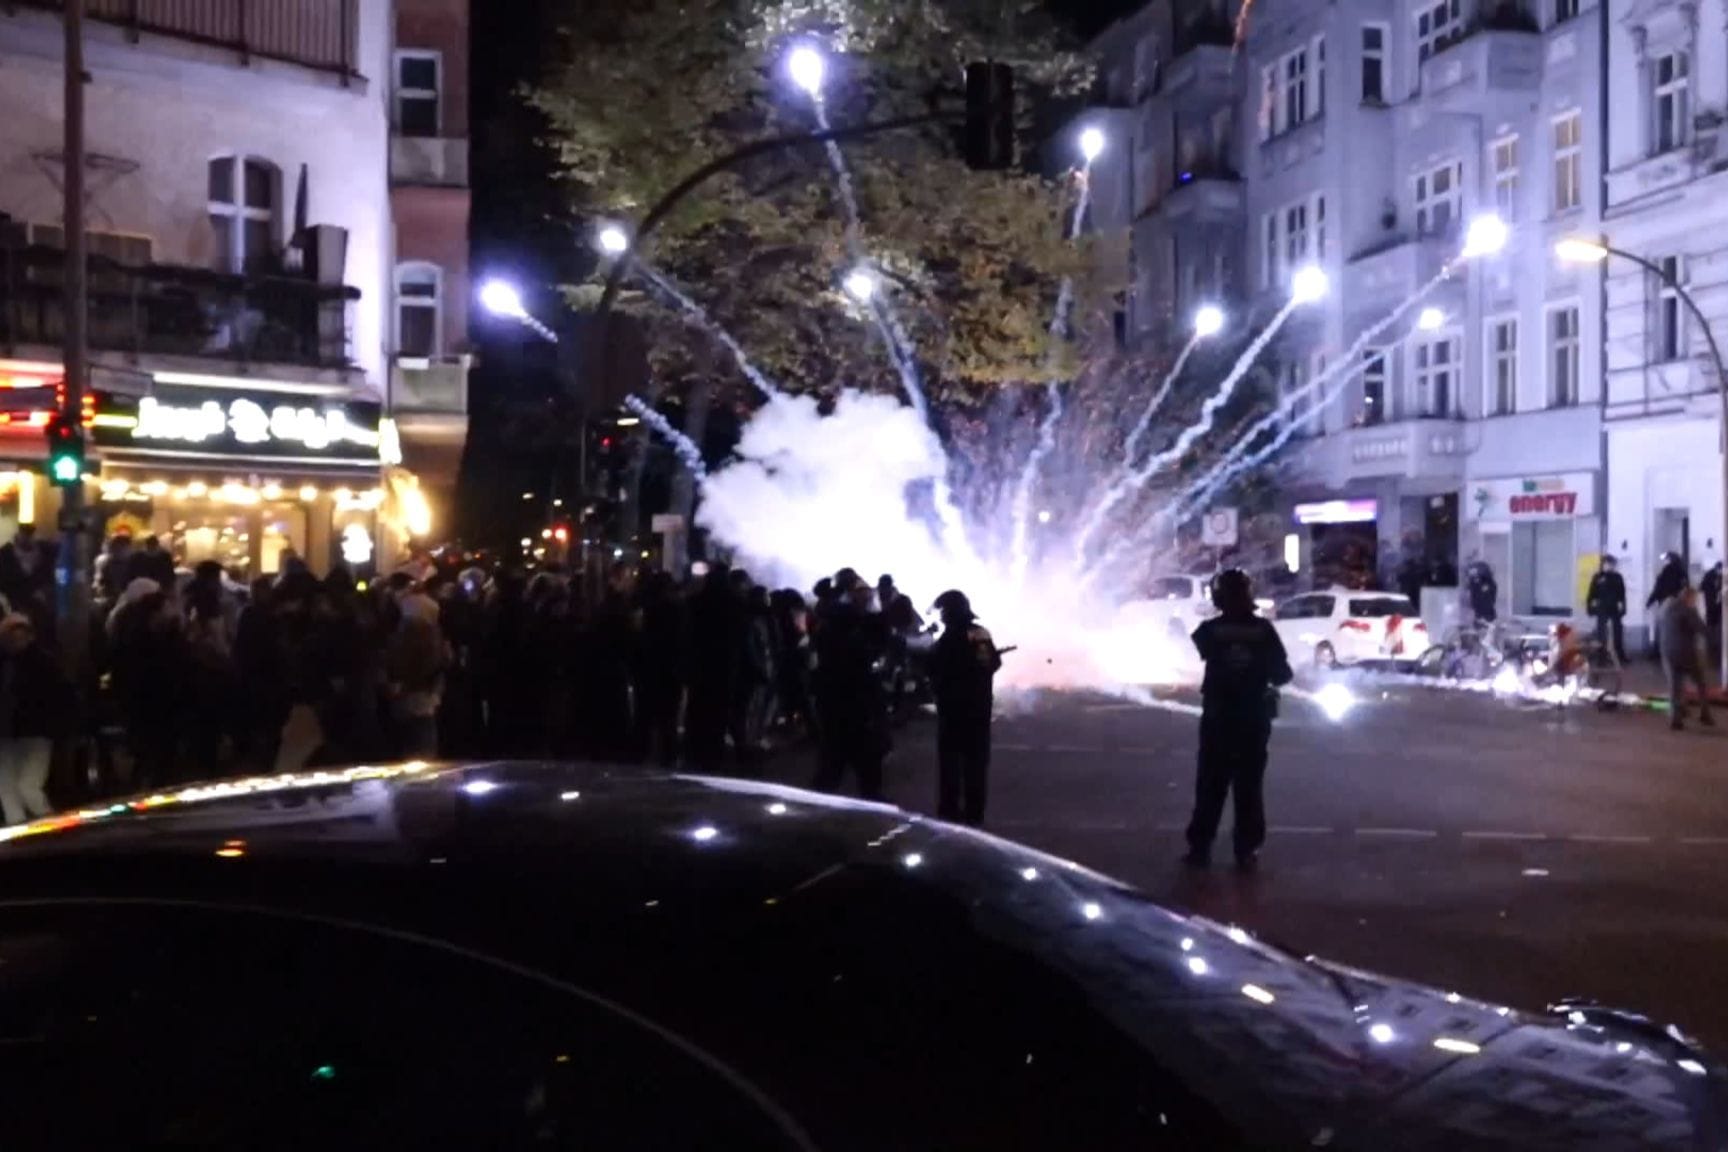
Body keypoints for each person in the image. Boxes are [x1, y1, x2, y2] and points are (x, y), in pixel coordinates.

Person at [1184, 568, 1292, 871]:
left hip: (1218, 719)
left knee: (1210, 786)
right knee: (1248, 789)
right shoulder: (1263, 631)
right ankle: (1246, 849)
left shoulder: (1209, 631)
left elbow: (1205, 650)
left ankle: (1200, 848)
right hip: (1253, 721)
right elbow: (1283, 674)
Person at [811, 570, 890, 800]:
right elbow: (870, 652)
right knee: (860, 758)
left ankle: (822, 803)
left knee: (835, 759)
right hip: (853, 701)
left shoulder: (828, 621)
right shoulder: (846, 629)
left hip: (835, 700)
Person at [926, 590, 1001, 827]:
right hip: (976, 711)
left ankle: (950, 813)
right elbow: (991, 663)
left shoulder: (947, 639)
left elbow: (933, 668)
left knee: (951, 764)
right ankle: (973, 815)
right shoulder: (978, 633)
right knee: (975, 765)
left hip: (952, 711)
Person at [0, 614, 72, 825]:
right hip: (21, 732)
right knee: (13, 786)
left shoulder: (38, 664)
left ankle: (42, 825)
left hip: (30, 732)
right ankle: (40, 824)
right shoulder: (44, 662)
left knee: (21, 786)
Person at [1660, 587, 1714, 731]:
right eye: (1694, 599)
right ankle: (1705, 714)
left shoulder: (1666, 608)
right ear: (1689, 597)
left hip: (1667, 651)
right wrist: (1715, 640)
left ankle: (1675, 719)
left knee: (1674, 686)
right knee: (1701, 682)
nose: (1695, 602)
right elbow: (1701, 628)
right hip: (1685, 652)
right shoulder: (1688, 610)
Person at [1587, 554, 1628, 666]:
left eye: (1611, 564)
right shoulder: (1598, 577)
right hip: (1602, 608)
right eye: (1607, 564)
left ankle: (1620, 655)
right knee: (1602, 634)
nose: (1609, 566)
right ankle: (1602, 657)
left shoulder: (1617, 577)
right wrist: (1590, 607)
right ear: (1603, 564)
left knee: (1617, 632)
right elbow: (1592, 593)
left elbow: (1622, 594)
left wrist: (1623, 608)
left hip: (1614, 608)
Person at [1464, 556, 1497, 625]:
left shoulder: (1486, 582)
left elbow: (1488, 595)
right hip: (1480, 612)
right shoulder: (1475, 580)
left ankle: (1485, 621)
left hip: (1485, 612)